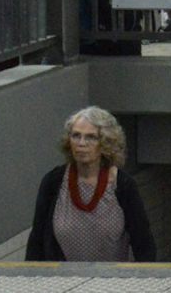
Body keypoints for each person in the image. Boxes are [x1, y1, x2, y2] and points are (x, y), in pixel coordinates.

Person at [26, 106, 158, 262]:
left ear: (105, 143)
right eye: (76, 136)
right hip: (63, 280)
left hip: (114, 281)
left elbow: (143, 244)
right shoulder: (53, 182)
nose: (81, 143)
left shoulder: (123, 185)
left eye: (91, 137)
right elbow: (37, 241)